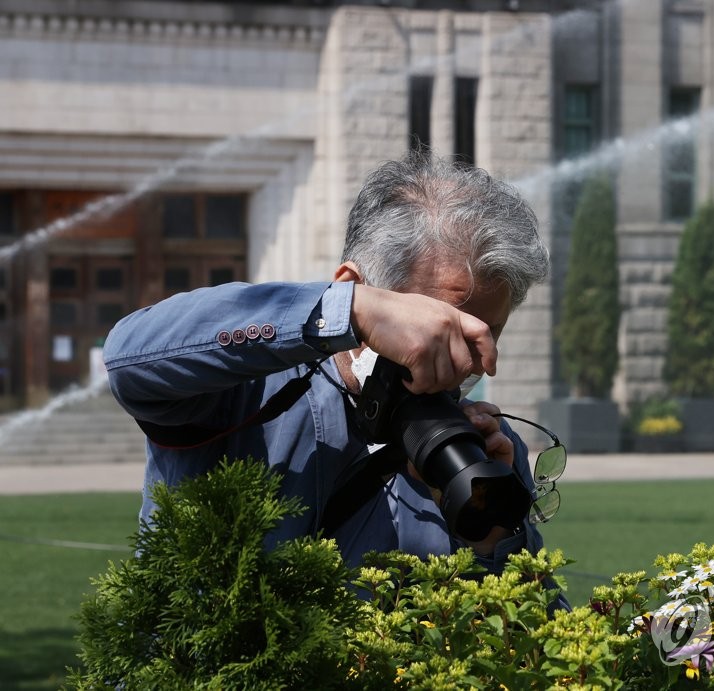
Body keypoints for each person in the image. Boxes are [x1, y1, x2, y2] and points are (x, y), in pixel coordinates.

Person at [103, 154, 552, 574]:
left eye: (485, 334)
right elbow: (129, 359)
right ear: (354, 286)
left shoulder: (485, 450)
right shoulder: (246, 388)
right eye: (437, 327)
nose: (464, 360)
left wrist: (489, 539)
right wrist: (346, 313)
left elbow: (533, 628)